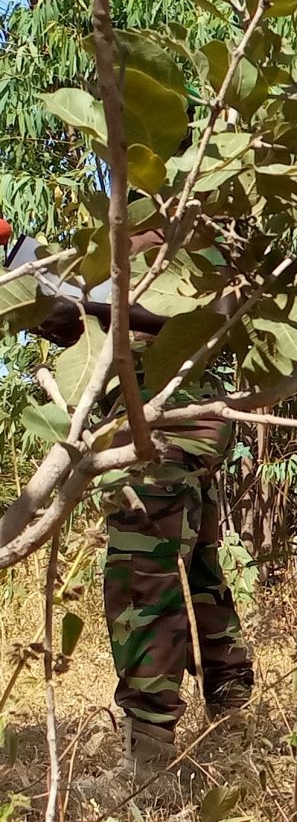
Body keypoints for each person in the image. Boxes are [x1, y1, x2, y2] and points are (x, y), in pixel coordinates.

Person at [3, 219, 253, 787]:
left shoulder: (180, 228)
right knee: (197, 569)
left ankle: (148, 763)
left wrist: (63, 288)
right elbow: (84, 318)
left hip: (165, 420)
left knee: (141, 578)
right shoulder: (152, 226)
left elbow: (199, 312)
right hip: (174, 416)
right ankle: (233, 720)